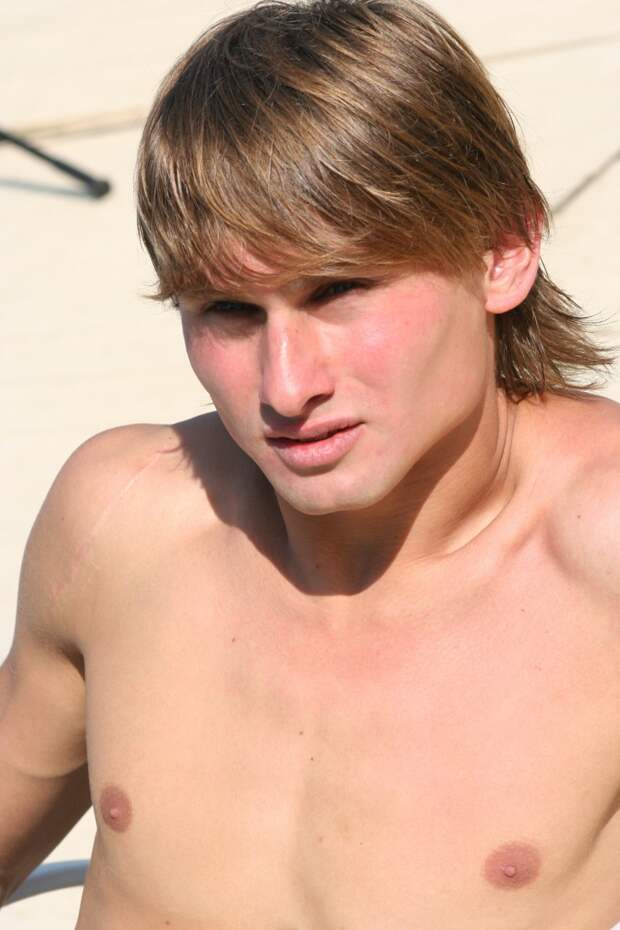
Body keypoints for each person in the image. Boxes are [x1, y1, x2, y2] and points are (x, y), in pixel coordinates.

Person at [1, 0, 619, 927]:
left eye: (339, 290)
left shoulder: (603, 557)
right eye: (228, 312)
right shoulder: (119, 521)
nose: (286, 387)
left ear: (503, 251)